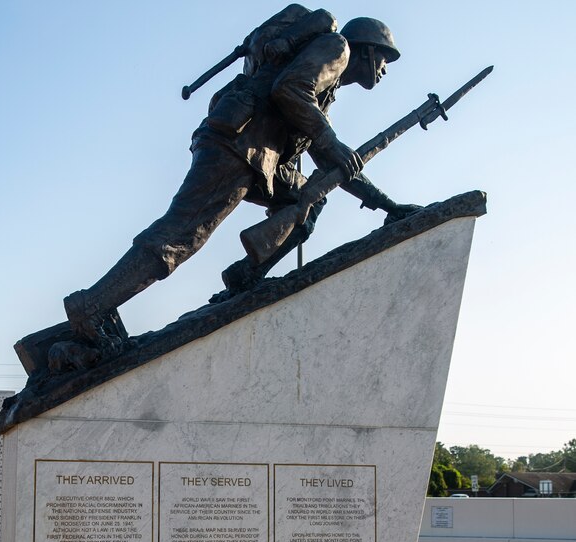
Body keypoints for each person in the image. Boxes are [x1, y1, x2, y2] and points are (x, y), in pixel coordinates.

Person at [64, 7, 420, 347]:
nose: (385, 70)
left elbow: (331, 163)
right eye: (386, 59)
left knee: (308, 201)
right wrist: (331, 141)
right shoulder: (337, 49)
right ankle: (90, 307)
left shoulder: (327, 86)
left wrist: (386, 205)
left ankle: (245, 276)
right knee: (182, 232)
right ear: (370, 51)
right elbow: (289, 90)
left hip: (260, 155)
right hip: (238, 144)